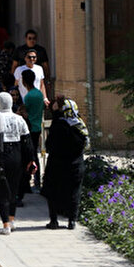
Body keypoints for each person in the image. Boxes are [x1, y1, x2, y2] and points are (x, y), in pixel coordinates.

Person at [0, 93, 37, 236]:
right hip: (16, 156)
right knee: (13, 189)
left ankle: (5, 225)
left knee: (0, 190)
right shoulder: (19, 119)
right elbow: (27, 141)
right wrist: (31, 159)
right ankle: (11, 220)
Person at [41, 97, 88, 230]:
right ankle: (72, 221)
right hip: (75, 164)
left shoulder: (58, 125)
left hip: (57, 164)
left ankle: (54, 221)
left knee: (53, 192)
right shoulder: (79, 125)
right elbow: (84, 144)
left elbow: (49, 145)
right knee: (74, 192)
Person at [17, 68, 45, 204]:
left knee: (29, 155)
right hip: (37, 127)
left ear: (24, 81)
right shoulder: (39, 94)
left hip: (29, 129)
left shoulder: (29, 97)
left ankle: (29, 182)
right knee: (34, 154)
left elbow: (24, 111)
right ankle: (36, 181)